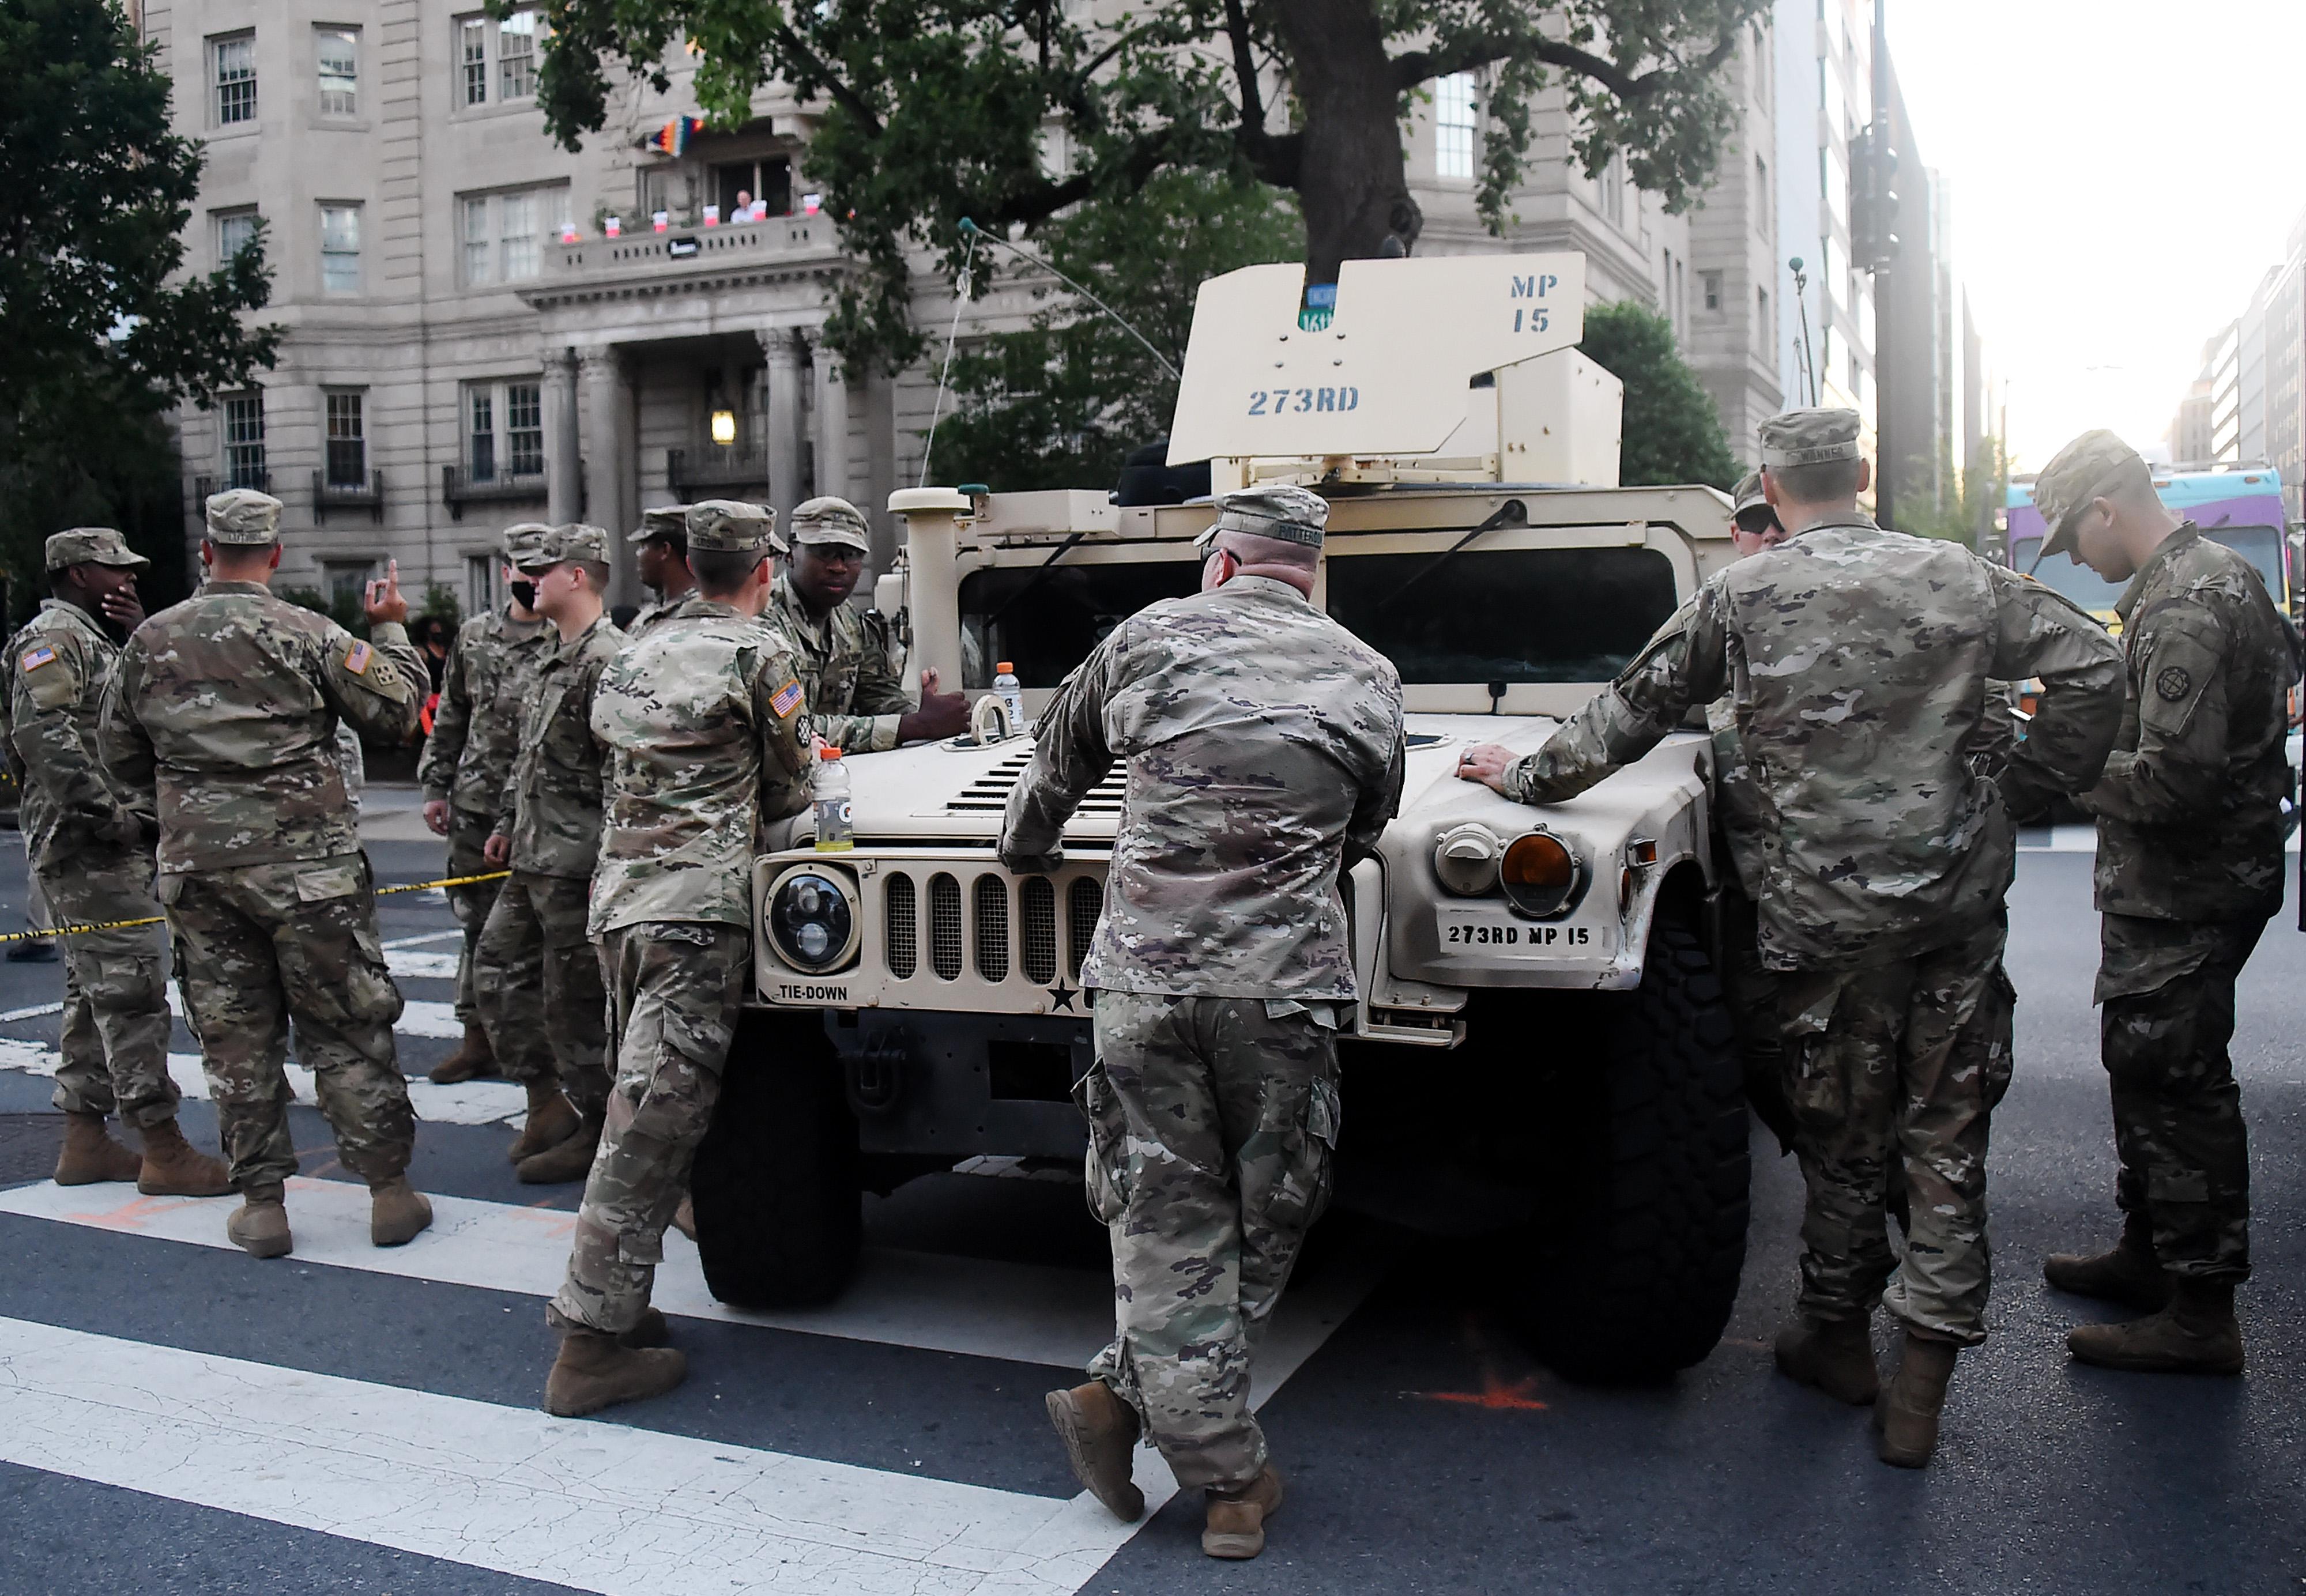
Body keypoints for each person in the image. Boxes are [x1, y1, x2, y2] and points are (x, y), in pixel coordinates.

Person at [1457, 410, 2124, 1468]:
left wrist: (1520, 776)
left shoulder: (1742, 594)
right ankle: (1922, 1383)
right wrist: (2020, 789)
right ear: (1863, 471)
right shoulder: (1959, 577)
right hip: (1953, 911)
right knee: (1946, 1139)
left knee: (1844, 1141)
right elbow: (2094, 668)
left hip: (1820, 919)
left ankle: (1838, 1335)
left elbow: (1624, 718)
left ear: (1769, 481)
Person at [998, 485, 1406, 1560]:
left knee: (1165, 1216)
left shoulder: (1145, 637)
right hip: (1280, 989)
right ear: (1309, 572)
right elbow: (1368, 824)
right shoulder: (1367, 672)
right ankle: (1230, 1480)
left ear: (1221, 560)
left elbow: (1054, 767)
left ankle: (1122, 1398)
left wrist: (1024, 847)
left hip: (1142, 978)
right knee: (1269, 1212)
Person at [2030, 429, 2302, 1376]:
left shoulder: (2186, 602)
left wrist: (2061, 766)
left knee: (2179, 1080)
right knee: (2147, 1062)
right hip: (2192, 881)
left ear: (2107, 507)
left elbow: (2173, 780)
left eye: (2076, 538)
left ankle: (2198, 1309)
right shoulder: (2215, 576)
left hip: (2186, 885)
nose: (2080, 561)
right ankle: (2153, 1254)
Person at [99, 489, 433, 1259]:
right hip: (308, 870)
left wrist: (184, 811)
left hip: (202, 871)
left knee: (235, 1038)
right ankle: (387, 1193)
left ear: (207, 551)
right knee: (348, 1027)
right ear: (276, 554)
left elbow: (117, 755)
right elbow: (396, 711)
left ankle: (263, 1204)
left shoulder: (149, 642)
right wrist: (388, 626)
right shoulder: (308, 633)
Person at [543, 499, 812, 1416]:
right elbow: (791, 782)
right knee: (652, 1125)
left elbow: (600, 766)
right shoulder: (757, 654)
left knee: (643, 1102)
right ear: (764, 569)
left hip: (619, 908)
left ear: (691, 565)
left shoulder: (632, 650)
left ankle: (617, 1306)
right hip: (698, 916)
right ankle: (590, 1344)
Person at [0, 527, 229, 1194]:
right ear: (74, 574)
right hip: (90, 847)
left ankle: (86, 1139)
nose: (126, 578)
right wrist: (115, 818)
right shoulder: (54, 639)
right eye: (112, 570)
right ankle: (161, 1147)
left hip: (98, 844)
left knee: (93, 992)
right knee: (131, 995)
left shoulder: (90, 638)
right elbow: (43, 735)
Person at [478, 525, 626, 1183]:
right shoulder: (551, 656)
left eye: (543, 570)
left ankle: (598, 1131)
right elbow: (529, 756)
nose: (528, 579)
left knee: (576, 1009)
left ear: (579, 576)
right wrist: (510, 819)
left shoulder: (610, 661)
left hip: (578, 865)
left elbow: (622, 774)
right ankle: (547, 1103)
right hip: (534, 858)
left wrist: (612, 864)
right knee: (497, 973)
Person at [417, 523, 554, 1085]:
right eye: (521, 570)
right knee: (475, 929)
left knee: (540, 935)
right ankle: (478, 1039)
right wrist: (434, 786)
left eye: (539, 570)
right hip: (476, 807)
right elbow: (451, 715)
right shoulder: (474, 637)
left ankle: (540, 1048)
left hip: (539, 810)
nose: (529, 580)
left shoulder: (564, 637)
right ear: (506, 574)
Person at [769, 496, 969, 748]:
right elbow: (788, 727)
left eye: (850, 555)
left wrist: (922, 714)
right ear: (790, 554)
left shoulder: (849, 622)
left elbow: (878, 695)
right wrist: (914, 726)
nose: (838, 567)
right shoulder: (764, 620)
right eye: (824, 552)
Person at [625, 504, 697, 639]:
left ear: (665, 550)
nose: (638, 554)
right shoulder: (649, 614)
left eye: (643, 546)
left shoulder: (697, 614)